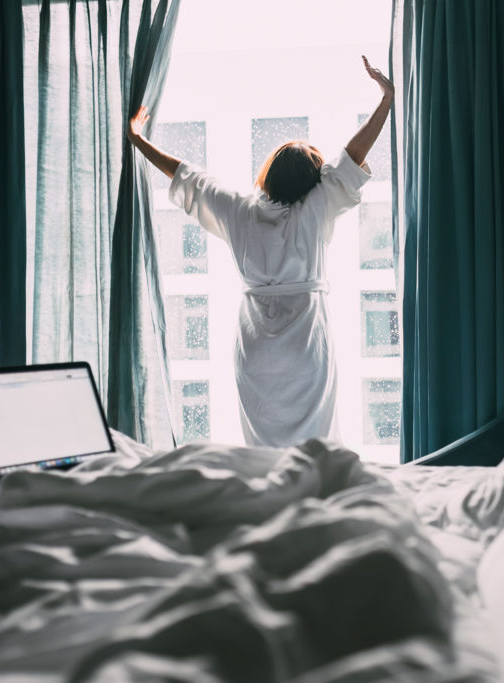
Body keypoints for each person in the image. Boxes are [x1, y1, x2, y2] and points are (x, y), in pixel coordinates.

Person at [127, 56, 394, 447]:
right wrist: (386, 100)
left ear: (268, 173)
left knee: (262, 448)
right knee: (314, 445)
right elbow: (352, 156)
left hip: (256, 350)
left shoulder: (239, 210)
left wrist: (138, 139)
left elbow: (184, 173)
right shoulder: (316, 208)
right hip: (307, 348)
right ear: (312, 180)